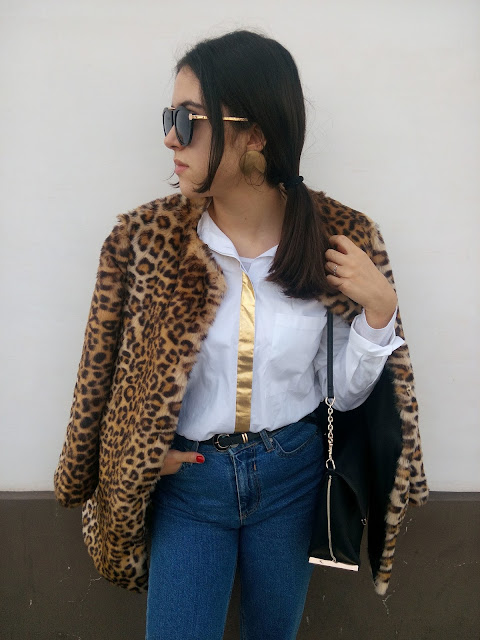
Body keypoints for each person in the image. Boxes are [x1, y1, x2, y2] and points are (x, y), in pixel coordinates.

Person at [54, 30, 427, 640]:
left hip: (291, 478)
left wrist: (380, 313)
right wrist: (140, 457)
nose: (170, 138)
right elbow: (104, 377)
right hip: (190, 484)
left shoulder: (334, 240)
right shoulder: (144, 241)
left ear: (255, 134)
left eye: (188, 120)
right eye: (170, 118)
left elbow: (343, 392)